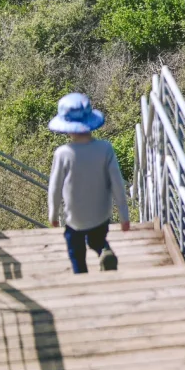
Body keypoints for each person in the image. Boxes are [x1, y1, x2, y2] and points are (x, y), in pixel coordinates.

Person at [47, 92, 130, 274]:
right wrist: (124, 216)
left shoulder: (63, 153)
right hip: (101, 214)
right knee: (96, 240)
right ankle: (104, 251)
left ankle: (82, 277)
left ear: (67, 127)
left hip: (74, 217)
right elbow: (117, 183)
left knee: (75, 250)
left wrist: (53, 214)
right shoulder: (105, 149)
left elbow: (55, 187)